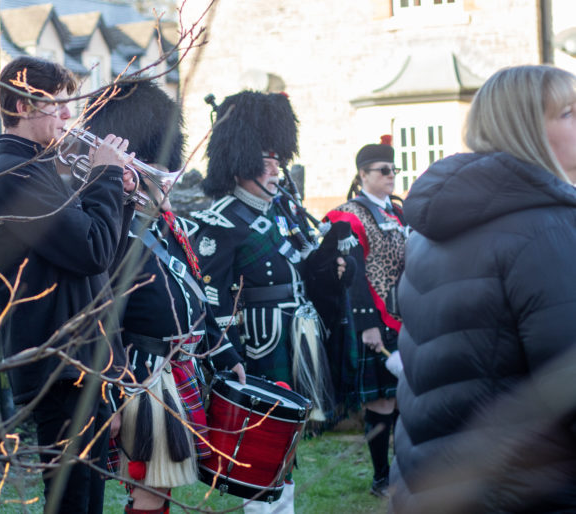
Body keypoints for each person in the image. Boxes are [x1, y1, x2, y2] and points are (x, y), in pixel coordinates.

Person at [390, 64, 576, 513]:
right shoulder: (547, 228)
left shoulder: (434, 228)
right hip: (526, 490)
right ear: (528, 128)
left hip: (443, 482)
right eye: (569, 112)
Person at [0, 56, 135, 514]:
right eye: (61, 106)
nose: (70, 116)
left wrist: (121, 194)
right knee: (71, 502)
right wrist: (104, 174)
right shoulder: (14, 175)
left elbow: (99, 258)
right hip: (58, 364)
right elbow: (90, 249)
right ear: (23, 106)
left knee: (87, 499)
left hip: (81, 361)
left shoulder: (40, 169)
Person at [86, 80, 246, 514]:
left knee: (162, 487)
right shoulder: (111, 225)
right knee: (148, 489)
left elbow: (193, 293)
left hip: (176, 369)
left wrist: (223, 351)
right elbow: (101, 318)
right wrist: (110, 394)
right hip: (140, 374)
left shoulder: (162, 223)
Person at [192, 90, 344, 513]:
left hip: (292, 337)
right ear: (240, 162)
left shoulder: (277, 214)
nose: (277, 170)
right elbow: (210, 298)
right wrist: (226, 354)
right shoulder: (219, 221)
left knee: (288, 437)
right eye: (267, 160)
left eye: (279, 159)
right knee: (263, 439)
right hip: (257, 346)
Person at [324, 135, 408, 498]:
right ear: (362, 175)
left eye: (394, 169)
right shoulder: (348, 215)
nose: (391, 176)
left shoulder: (397, 211)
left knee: (406, 399)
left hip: (407, 318)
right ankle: (381, 477)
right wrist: (368, 325)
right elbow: (352, 275)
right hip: (375, 320)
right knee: (382, 402)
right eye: (383, 170)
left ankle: (405, 471)